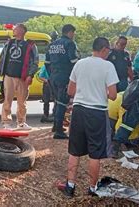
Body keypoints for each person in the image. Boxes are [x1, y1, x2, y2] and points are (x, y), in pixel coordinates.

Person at [56, 37, 119, 197]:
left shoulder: (80, 63)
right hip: (97, 112)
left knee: (74, 151)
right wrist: (100, 92)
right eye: (108, 50)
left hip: (78, 111)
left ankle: (70, 187)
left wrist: (85, 91)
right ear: (104, 49)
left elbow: (70, 91)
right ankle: (92, 189)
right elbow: (113, 95)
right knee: (95, 153)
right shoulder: (108, 66)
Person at [0, 23, 39, 130]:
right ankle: (6, 122)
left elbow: (35, 61)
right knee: (7, 99)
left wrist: (30, 75)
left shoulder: (30, 45)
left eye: (16, 29)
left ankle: (21, 123)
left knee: (22, 101)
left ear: (22, 31)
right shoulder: (9, 43)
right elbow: (1, 59)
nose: (14, 30)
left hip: (22, 77)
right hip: (8, 76)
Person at [46, 24, 79, 139]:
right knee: (62, 103)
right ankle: (59, 131)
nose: (73, 35)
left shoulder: (52, 45)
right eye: (73, 33)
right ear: (70, 32)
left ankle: (56, 126)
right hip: (64, 76)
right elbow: (74, 61)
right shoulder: (70, 44)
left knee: (57, 101)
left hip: (53, 76)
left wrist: (52, 74)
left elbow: (47, 63)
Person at [39, 31, 59, 123]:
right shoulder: (46, 66)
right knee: (46, 100)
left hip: (54, 81)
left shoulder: (56, 46)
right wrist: (47, 80)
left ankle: (54, 115)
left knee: (56, 100)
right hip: (48, 83)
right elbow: (41, 76)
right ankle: (45, 115)